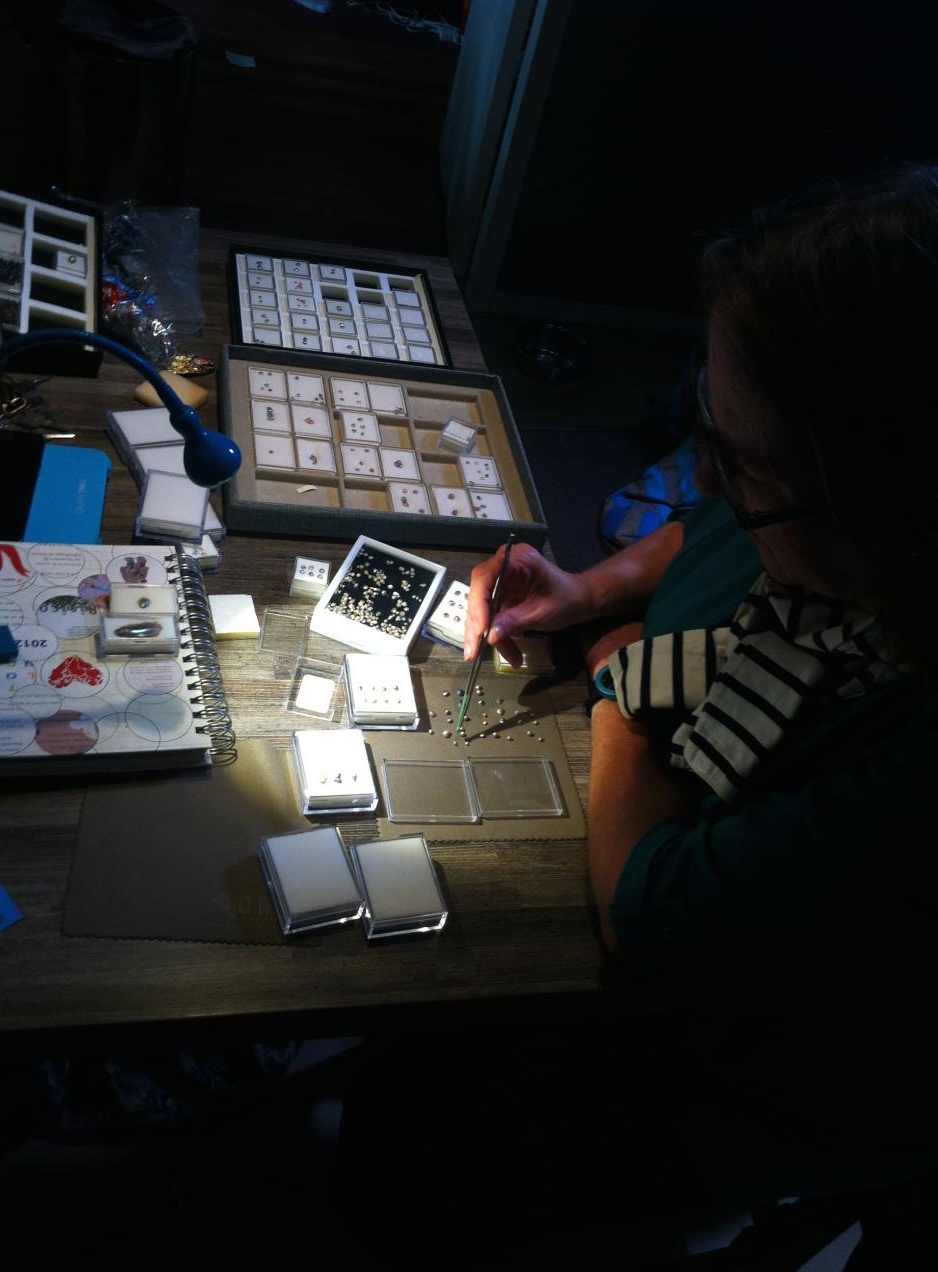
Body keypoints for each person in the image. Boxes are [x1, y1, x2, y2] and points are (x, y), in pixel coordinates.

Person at [337, 167, 938, 1259]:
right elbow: (705, 527)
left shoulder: (905, 763)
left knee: (430, 1143)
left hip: (732, 1084)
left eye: (742, 465)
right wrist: (592, 589)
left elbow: (646, 911)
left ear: (890, 506)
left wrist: (625, 690)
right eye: (708, 434)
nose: (709, 478)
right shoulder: (806, 516)